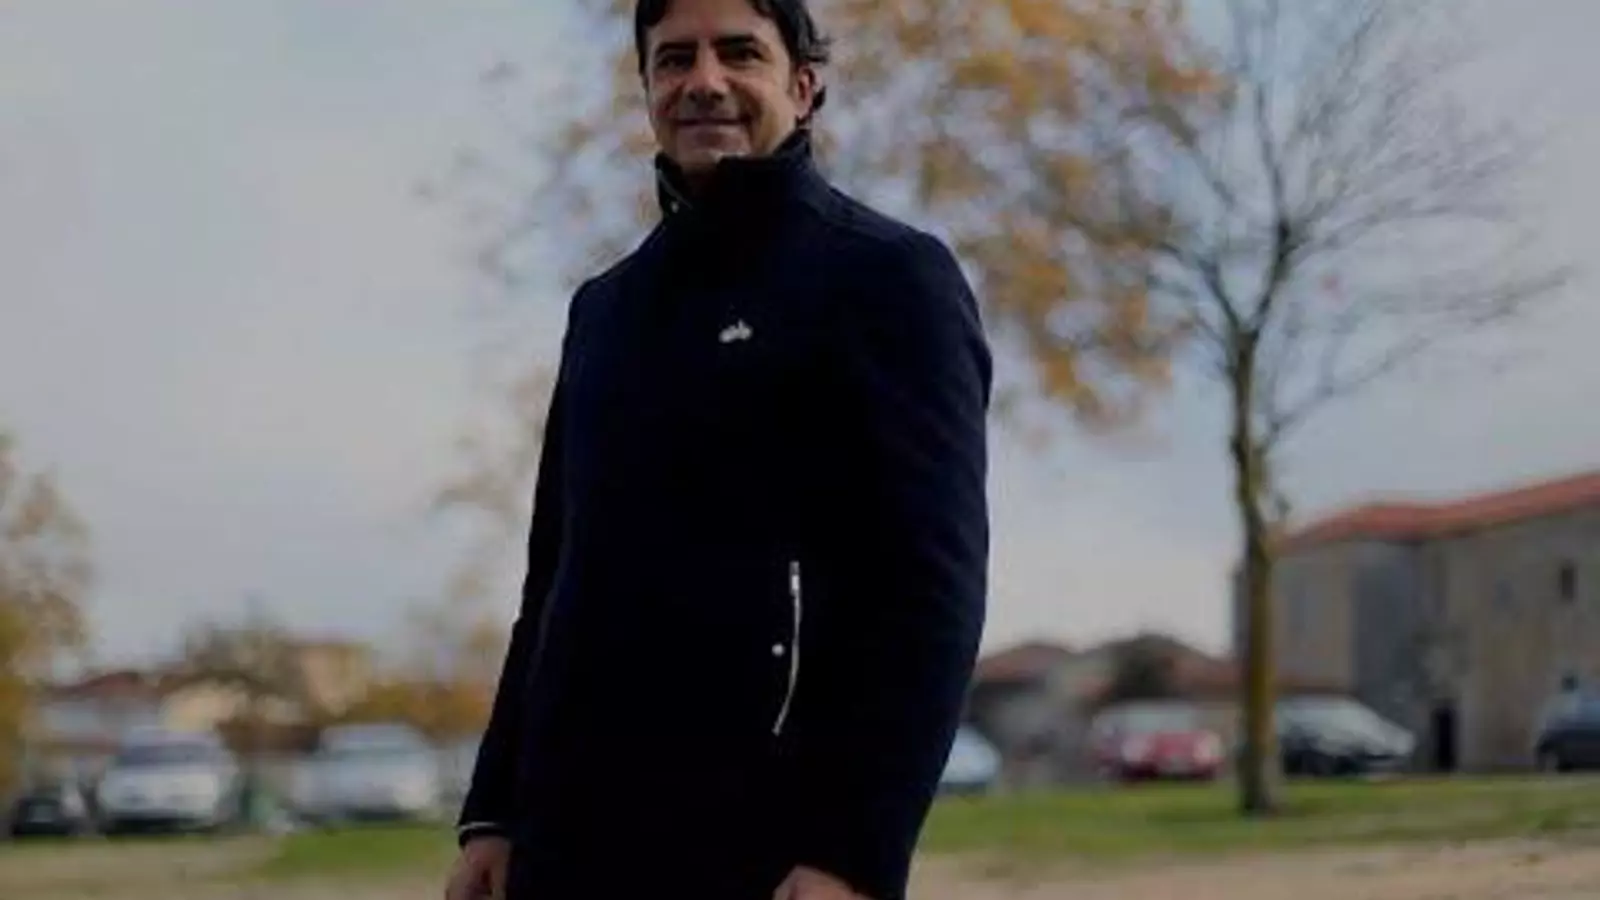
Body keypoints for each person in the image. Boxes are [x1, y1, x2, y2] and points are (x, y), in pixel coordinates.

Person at [442, 0, 990, 897]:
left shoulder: (889, 278)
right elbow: (553, 580)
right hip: (568, 840)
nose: (703, 82)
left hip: (764, 845)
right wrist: (494, 811)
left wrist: (852, 851)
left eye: (739, 53)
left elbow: (927, 589)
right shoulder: (603, 310)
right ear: (647, 90)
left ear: (802, 87)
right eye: (673, 60)